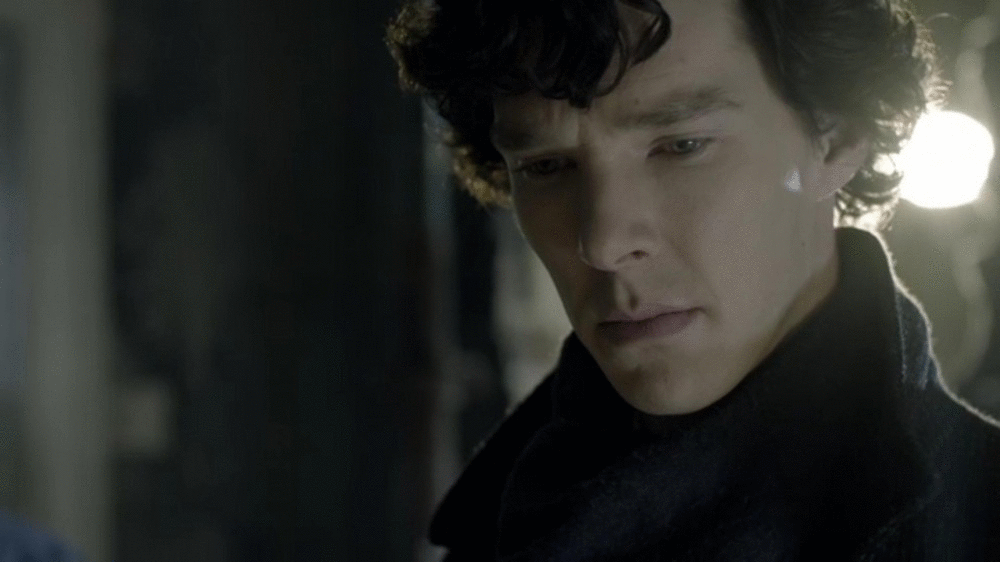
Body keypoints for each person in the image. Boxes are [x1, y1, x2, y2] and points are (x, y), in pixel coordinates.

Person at [387, 0, 1000, 559]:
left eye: (681, 146)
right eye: (546, 167)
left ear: (836, 140)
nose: (603, 244)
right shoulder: (496, 522)